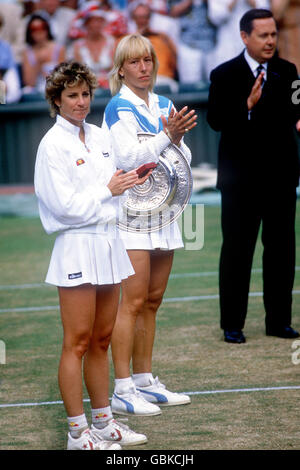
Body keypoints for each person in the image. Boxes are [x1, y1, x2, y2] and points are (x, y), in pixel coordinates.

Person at [34, 60, 149, 449]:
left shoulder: (100, 137)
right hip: (77, 247)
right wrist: (107, 193)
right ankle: (77, 434)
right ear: (57, 99)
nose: (80, 102)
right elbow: (64, 207)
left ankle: (103, 423)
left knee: (101, 339)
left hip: (108, 243)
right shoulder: (51, 145)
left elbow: (119, 180)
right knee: (77, 342)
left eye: (85, 94)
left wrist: (132, 180)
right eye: (72, 95)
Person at [102, 33, 197, 416]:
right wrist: (166, 136)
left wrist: (172, 139)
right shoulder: (117, 107)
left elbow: (183, 156)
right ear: (121, 68)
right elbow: (128, 157)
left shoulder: (165, 103)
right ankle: (122, 388)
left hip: (165, 211)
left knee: (153, 301)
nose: (143, 68)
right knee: (134, 301)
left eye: (148, 60)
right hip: (131, 215)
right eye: (135, 61)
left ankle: (143, 380)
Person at [207, 9, 300, 344]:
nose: (271, 41)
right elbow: (215, 120)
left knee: (282, 251)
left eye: (273, 34)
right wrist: (246, 104)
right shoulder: (223, 74)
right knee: (237, 252)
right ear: (244, 37)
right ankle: (233, 323)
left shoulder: (289, 72)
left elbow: (295, 113)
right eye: (263, 35)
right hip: (240, 183)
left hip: (281, 180)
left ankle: (279, 322)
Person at [207, 0, 271, 72]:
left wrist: (252, 3)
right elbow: (215, 18)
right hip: (226, 48)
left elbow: (266, 15)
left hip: (253, 48)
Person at [129, 1, 179, 92]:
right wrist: (138, 35)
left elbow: (176, 59)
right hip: (137, 82)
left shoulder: (162, 38)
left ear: (150, 18)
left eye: (145, 17)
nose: (141, 20)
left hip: (163, 80)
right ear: (133, 19)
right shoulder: (126, 41)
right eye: (138, 17)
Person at [168, 0, 217, 84]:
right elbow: (173, 12)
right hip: (188, 44)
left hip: (211, 43)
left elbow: (221, 10)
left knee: (214, 83)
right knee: (190, 84)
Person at [70, 9, 115, 89]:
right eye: (93, 21)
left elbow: (115, 69)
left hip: (109, 88)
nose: (96, 24)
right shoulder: (78, 45)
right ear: (86, 24)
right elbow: (77, 72)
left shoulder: (112, 42)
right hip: (86, 88)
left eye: (99, 21)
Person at [22, 15, 66, 94]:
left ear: (47, 29)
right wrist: (38, 64)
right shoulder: (27, 52)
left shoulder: (59, 49)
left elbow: (62, 77)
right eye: (34, 29)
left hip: (56, 89)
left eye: (42, 27)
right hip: (36, 89)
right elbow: (29, 83)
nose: (38, 32)